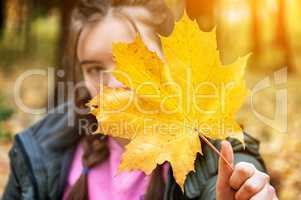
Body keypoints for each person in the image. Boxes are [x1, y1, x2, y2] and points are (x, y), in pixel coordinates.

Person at [2, 0, 278, 199]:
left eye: (133, 64)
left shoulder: (213, 150)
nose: (112, 85)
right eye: (94, 69)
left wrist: (246, 190)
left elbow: (231, 176)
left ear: (171, 58)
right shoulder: (37, 148)